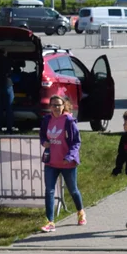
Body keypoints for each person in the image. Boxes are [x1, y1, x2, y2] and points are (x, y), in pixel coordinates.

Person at [39, 95, 85, 233]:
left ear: (64, 106)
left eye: (58, 105)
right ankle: (50, 221)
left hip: (67, 163)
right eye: (53, 105)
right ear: (50, 107)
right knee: (49, 191)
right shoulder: (47, 120)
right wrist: (43, 142)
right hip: (51, 162)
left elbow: (76, 142)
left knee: (73, 190)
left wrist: (69, 156)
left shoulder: (69, 121)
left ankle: (80, 211)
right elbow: (42, 135)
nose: (56, 108)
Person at [0, 48, 15, 134]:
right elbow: (11, 71)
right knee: (9, 108)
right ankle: (9, 128)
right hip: (7, 85)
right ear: (5, 53)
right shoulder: (8, 61)